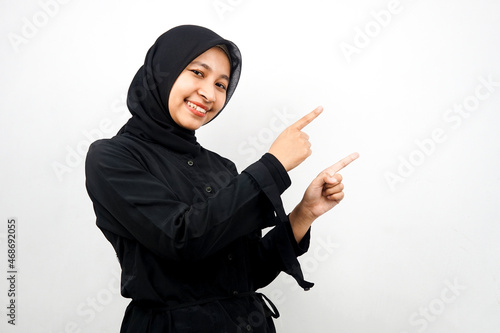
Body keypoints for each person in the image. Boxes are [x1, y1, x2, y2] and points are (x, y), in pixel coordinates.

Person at [85, 24, 358, 333]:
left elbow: (247, 273)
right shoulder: (113, 157)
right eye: (198, 73)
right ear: (163, 71)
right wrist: (273, 166)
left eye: (221, 84)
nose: (208, 93)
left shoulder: (221, 167)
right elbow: (182, 240)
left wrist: (302, 215)